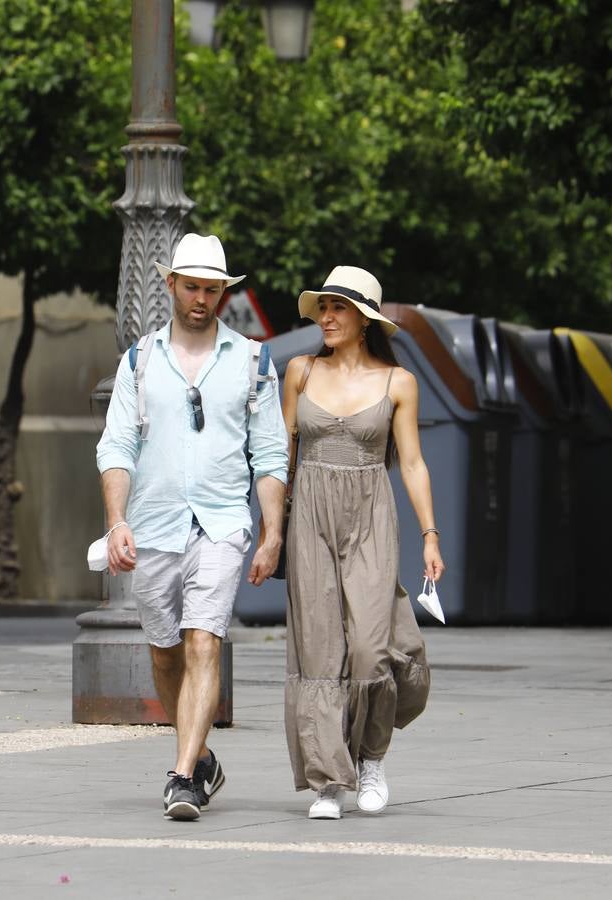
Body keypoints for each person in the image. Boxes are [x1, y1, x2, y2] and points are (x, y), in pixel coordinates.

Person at [96, 233, 288, 822]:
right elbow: (117, 445)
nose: (202, 298)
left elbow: (271, 453)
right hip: (152, 525)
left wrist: (272, 532)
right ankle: (201, 753)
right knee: (165, 650)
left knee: (204, 638)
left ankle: (182, 778)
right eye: (192, 286)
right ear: (171, 285)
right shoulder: (140, 360)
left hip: (224, 522)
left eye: (212, 289)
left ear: (224, 292)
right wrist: (116, 522)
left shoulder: (254, 361)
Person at [281, 265, 441, 820]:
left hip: (372, 513)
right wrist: (272, 530)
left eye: (337, 308)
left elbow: (413, 463)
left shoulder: (398, 383)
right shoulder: (300, 373)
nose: (325, 316)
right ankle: (329, 779)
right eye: (322, 306)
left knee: (373, 648)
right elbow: (284, 458)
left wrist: (429, 534)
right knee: (320, 649)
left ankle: (371, 759)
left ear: (364, 319)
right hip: (312, 518)